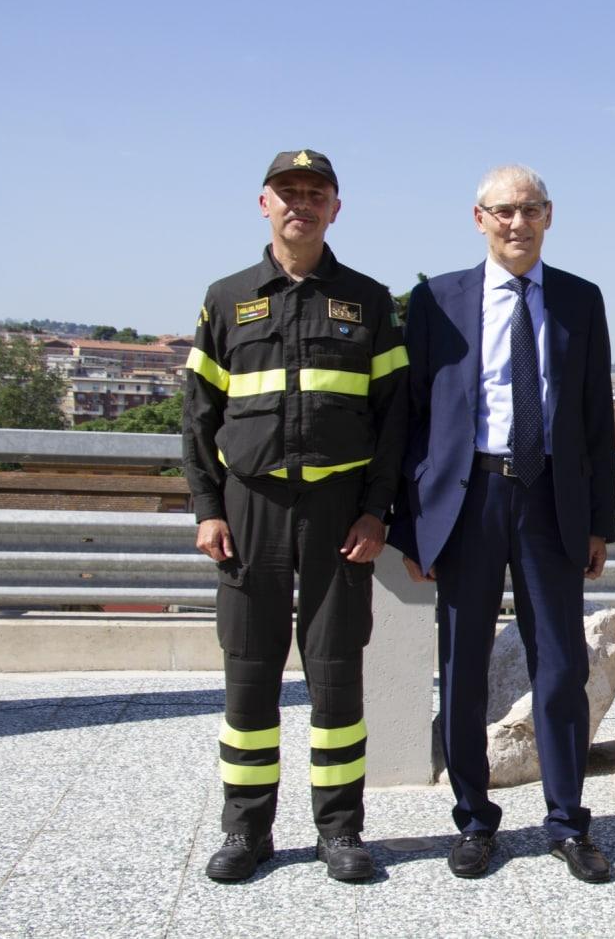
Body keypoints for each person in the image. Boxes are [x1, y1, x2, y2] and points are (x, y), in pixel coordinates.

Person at [182, 149, 407, 883]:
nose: (300, 204)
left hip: (338, 513)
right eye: (288, 193)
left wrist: (377, 512)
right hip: (249, 510)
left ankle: (341, 831)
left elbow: (395, 419)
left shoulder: (370, 301)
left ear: (336, 208)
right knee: (248, 676)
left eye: (315, 193)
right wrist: (209, 508)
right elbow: (197, 417)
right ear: (264, 204)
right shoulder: (225, 298)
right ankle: (246, 831)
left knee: (337, 677)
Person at [391, 164, 615, 883]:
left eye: (530, 209)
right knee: (462, 666)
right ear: (478, 218)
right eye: (503, 211)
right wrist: (411, 526)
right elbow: (410, 417)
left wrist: (599, 522)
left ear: (549, 215)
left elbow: (593, 423)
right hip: (469, 501)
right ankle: (473, 819)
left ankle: (566, 820)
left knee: (562, 664)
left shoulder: (581, 299)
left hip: (552, 498)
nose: (517, 223)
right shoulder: (436, 300)